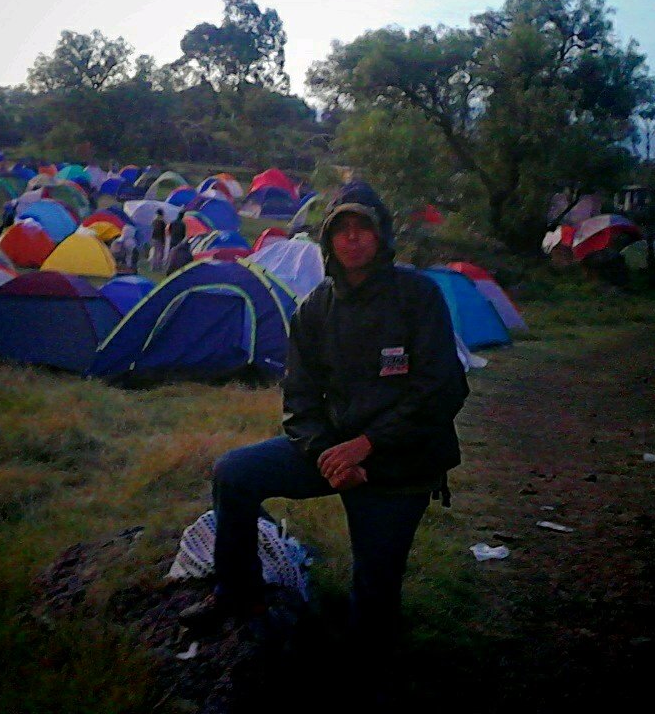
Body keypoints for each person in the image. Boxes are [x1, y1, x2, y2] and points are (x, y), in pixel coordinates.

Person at [179, 181, 469, 665]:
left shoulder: (417, 296)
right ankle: (238, 593)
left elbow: (443, 390)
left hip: (403, 462)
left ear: (382, 236)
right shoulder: (315, 309)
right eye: (342, 229)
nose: (353, 239)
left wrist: (368, 445)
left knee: (373, 594)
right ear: (328, 239)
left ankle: (366, 668)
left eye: (364, 228)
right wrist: (326, 456)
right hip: (334, 453)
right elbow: (300, 401)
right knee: (235, 473)